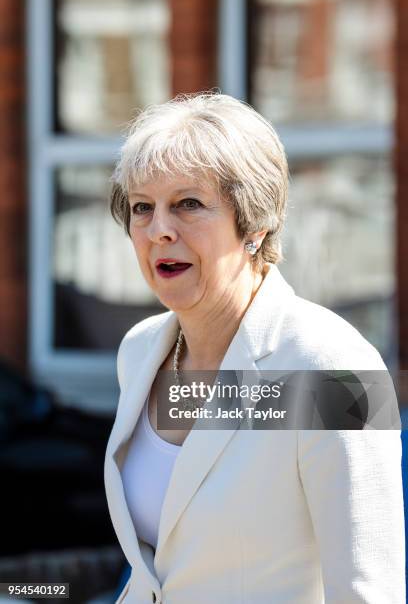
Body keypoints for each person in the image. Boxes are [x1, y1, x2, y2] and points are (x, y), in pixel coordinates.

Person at [104, 93, 405, 603]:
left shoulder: (334, 367)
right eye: (142, 208)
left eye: (188, 204)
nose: (159, 230)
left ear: (255, 223)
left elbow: (367, 590)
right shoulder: (139, 353)